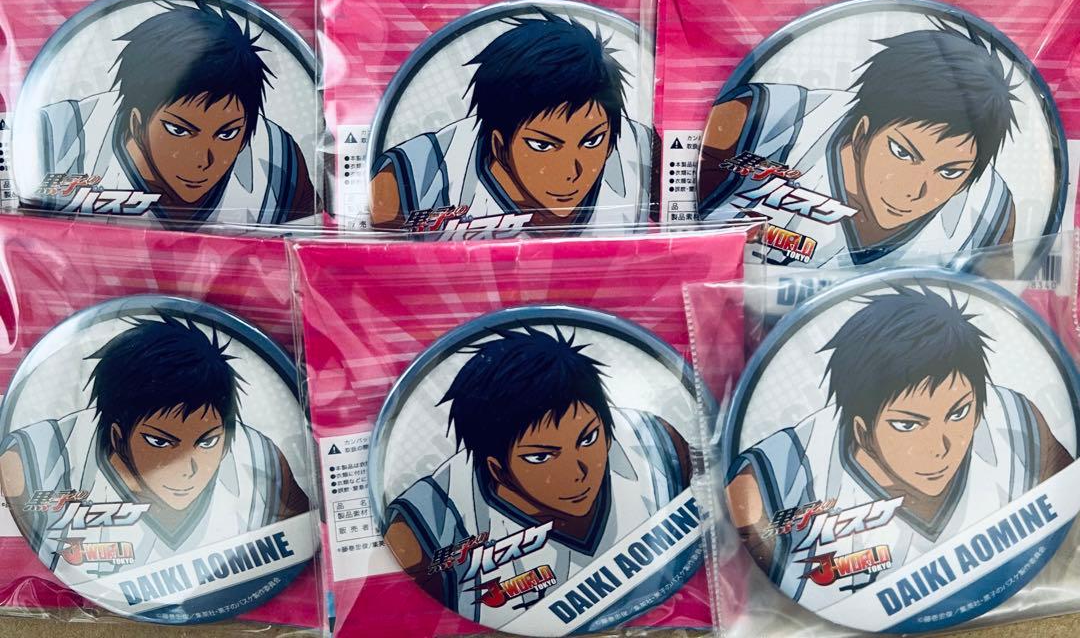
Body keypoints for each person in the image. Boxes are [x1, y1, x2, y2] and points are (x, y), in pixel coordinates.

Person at [726, 286, 1072, 608]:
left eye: (958, 413)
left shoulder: (1015, 421)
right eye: (908, 425)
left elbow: (1066, 516)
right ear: (861, 431)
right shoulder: (778, 477)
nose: (939, 447)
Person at [384, 327, 690, 628]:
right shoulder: (432, 524)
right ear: (497, 469)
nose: (577, 473)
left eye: (588, 438)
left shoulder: (656, 445)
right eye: (541, 457)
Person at [0, 313, 309, 578]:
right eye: (159, 441)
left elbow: (305, 539)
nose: (188, 469)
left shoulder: (259, 460)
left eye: (207, 441)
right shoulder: (38, 459)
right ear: (117, 437)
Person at [699, 26, 1018, 267]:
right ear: (862, 132)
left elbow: (997, 314)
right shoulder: (762, 124)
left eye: (949, 172)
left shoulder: (989, 214)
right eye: (902, 153)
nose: (913, 190)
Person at [34, 1, 315, 228]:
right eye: (179, 130)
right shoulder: (57, 139)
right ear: (136, 122)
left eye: (227, 134)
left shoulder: (279, 162)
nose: (202, 160)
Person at [370, 12, 652, 233]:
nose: (571, 172)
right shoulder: (417, 176)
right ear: (498, 144)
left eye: (592, 141)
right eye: (543, 145)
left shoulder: (645, 153)